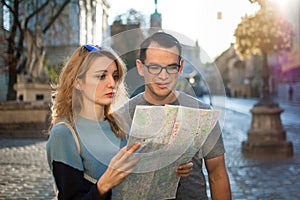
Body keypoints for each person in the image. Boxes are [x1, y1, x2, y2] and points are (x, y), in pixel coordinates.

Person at [46, 44, 191, 199]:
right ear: (78, 82)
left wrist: (169, 168)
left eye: (115, 76)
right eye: (101, 76)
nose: (112, 83)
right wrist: (104, 185)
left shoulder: (122, 125)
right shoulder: (64, 134)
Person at [116, 32, 232, 199]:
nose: (163, 76)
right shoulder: (121, 116)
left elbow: (218, 175)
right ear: (141, 67)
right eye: (154, 67)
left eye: (171, 67)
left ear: (181, 68)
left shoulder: (202, 114)